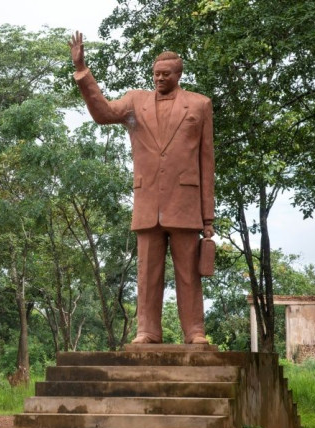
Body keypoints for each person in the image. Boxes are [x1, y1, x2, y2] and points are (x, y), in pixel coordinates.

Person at [69, 32, 214, 345]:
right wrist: (82, 71)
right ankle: (147, 330)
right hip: (147, 201)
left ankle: (194, 330)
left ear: (179, 75)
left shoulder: (200, 105)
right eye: (156, 74)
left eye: (166, 74)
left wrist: (208, 218)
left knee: (189, 273)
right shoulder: (136, 102)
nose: (160, 78)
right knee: (147, 273)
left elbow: (207, 162)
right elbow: (103, 113)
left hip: (185, 202)